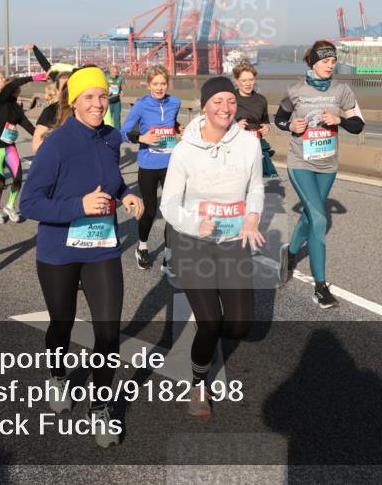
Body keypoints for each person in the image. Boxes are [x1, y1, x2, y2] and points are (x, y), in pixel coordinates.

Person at [20, 65, 144, 448]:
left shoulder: (111, 137)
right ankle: (58, 374)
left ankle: (100, 406)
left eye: (103, 96)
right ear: (73, 101)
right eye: (89, 97)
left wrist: (125, 193)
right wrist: (79, 205)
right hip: (59, 251)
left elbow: (113, 177)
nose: (97, 103)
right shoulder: (56, 143)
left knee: (108, 333)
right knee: (62, 323)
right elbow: (29, 202)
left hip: (101, 247)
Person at [161, 76, 265, 418]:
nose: (225, 108)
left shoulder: (249, 144)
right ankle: (198, 384)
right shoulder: (184, 150)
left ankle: (209, 329)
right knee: (210, 321)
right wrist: (193, 223)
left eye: (231, 101)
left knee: (240, 326)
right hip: (193, 241)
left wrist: (252, 218)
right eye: (218, 101)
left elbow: (256, 188)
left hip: (233, 239)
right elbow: (169, 204)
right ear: (204, 106)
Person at [274, 40, 365, 308]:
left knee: (310, 216)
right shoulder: (295, 90)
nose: (330, 65)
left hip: (327, 165)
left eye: (333, 61)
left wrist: (341, 121)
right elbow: (278, 119)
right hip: (300, 161)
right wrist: (292, 125)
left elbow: (358, 125)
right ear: (313, 62)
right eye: (326, 61)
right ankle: (320, 286)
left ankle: (289, 255)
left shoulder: (342, 90)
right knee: (319, 217)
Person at [121, 65, 183, 274]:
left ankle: (169, 255)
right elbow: (124, 132)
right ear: (148, 85)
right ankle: (142, 247)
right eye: (155, 84)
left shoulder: (175, 102)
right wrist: (142, 138)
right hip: (148, 164)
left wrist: (178, 128)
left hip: (170, 165)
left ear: (168, 83)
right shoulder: (141, 105)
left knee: (172, 211)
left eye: (163, 83)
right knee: (149, 210)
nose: (159, 87)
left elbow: (172, 122)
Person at [0, 72, 38, 224]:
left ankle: (10, 206)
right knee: (0, 181)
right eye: (0, 78)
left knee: (17, 178)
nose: (17, 92)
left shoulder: (15, 107)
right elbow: (12, 85)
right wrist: (34, 77)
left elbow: (26, 124)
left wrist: (40, 136)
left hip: (9, 146)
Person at [232, 61, 278, 179]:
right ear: (237, 81)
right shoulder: (230, 99)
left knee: (253, 187)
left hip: (255, 149)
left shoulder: (261, 100)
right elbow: (217, 124)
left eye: (251, 79)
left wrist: (266, 127)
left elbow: (265, 120)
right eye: (244, 80)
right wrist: (234, 126)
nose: (248, 84)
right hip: (233, 149)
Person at [32, 72, 71, 154]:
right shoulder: (50, 111)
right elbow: (36, 147)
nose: (67, 92)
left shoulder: (84, 110)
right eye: (64, 89)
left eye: (71, 88)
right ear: (57, 91)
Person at [103, 64, 124, 129]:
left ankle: (118, 134)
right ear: (110, 71)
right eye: (114, 72)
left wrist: (121, 92)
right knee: (108, 120)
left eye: (117, 72)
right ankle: (106, 134)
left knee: (117, 119)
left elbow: (121, 88)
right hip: (108, 102)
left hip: (117, 102)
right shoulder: (106, 78)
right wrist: (107, 93)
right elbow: (102, 89)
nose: (115, 74)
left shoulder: (120, 78)